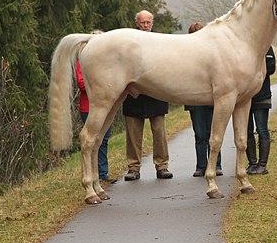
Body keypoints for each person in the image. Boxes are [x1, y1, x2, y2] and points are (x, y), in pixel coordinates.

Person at [122, 10, 173, 181]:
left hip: (156, 93)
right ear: (137, 23)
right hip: (133, 94)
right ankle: (133, 167)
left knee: (159, 132)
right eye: (142, 23)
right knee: (133, 134)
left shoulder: (161, 41)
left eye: (148, 22)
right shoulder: (128, 42)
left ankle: (162, 166)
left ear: (152, 23)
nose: (145, 26)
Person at [184, 22, 223, 177]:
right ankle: (201, 166)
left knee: (215, 132)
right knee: (200, 134)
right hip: (195, 99)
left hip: (213, 98)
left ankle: (216, 165)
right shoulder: (185, 53)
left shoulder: (214, 52)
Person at [76, 54, 114, 184]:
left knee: (103, 139)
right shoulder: (83, 62)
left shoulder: (104, 63)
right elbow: (81, 82)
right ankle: (91, 173)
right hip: (88, 107)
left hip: (105, 107)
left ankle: (102, 172)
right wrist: (100, 86)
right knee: (91, 139)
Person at [246, 46, 276, 175]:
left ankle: (262, 165)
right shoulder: (244, 46)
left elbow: (271, 68)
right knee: (247, 131)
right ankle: (252, 163)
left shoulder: (266, 47)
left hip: (262, 96)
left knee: (262, 129)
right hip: (245, 97)